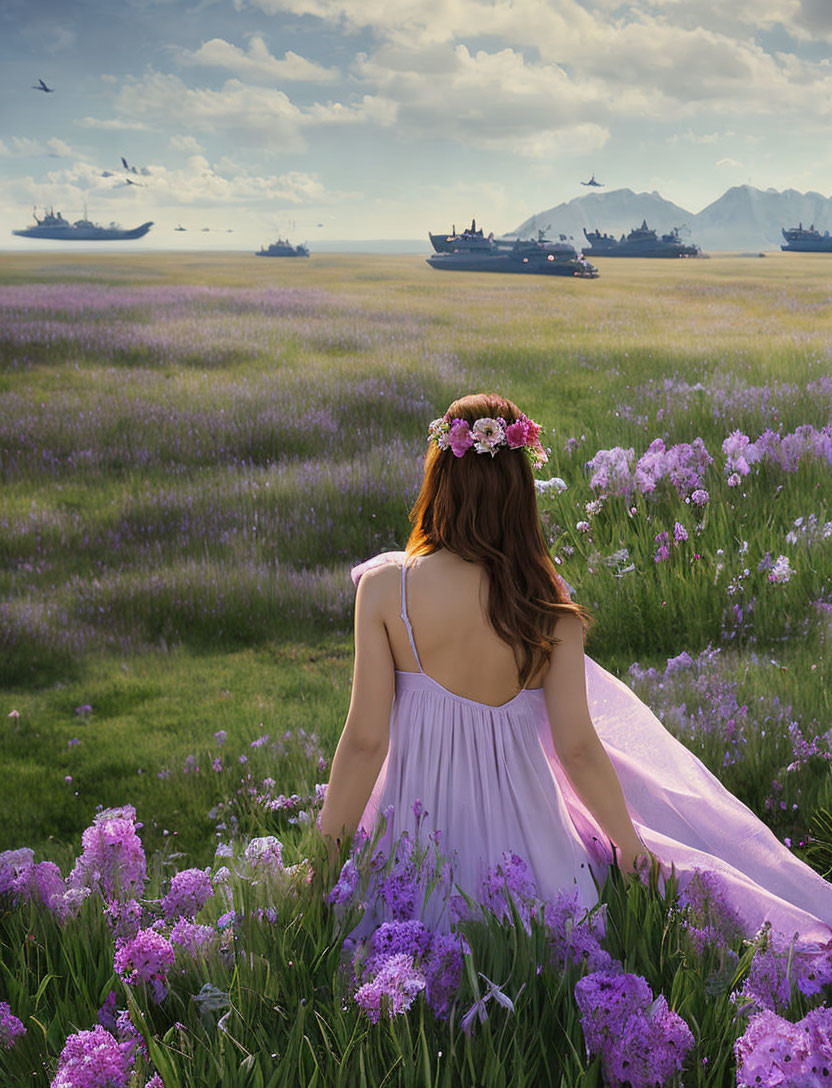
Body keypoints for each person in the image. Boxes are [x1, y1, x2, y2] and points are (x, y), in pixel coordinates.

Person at [319, 393, 832, 940]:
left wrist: (323, 867)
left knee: (413, 966)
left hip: (418, 858)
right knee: (548, 969)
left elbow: (365, 743)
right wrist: (631, 850)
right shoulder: (545, 607)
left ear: (439, 478)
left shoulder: (385, 591)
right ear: (522, 490)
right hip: (534, 863)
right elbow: (579, 749)